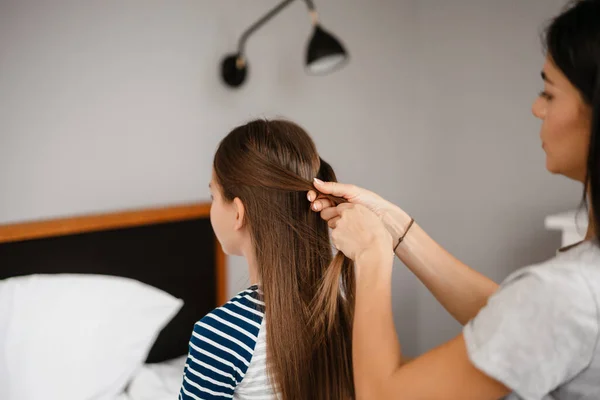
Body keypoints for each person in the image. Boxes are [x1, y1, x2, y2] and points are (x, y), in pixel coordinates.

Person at [307, 0, 600, 399]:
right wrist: (396, 228)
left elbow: (380, 395)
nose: (536, 108)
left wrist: (373, 255)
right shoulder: (571, 291)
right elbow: (516, 320)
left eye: (548, 93)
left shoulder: (568, 293)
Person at [178, 119, 355, 400]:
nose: (211, 206)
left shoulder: (220, 335)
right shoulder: (343, 304)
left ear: (238, 212)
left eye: (213, 195)